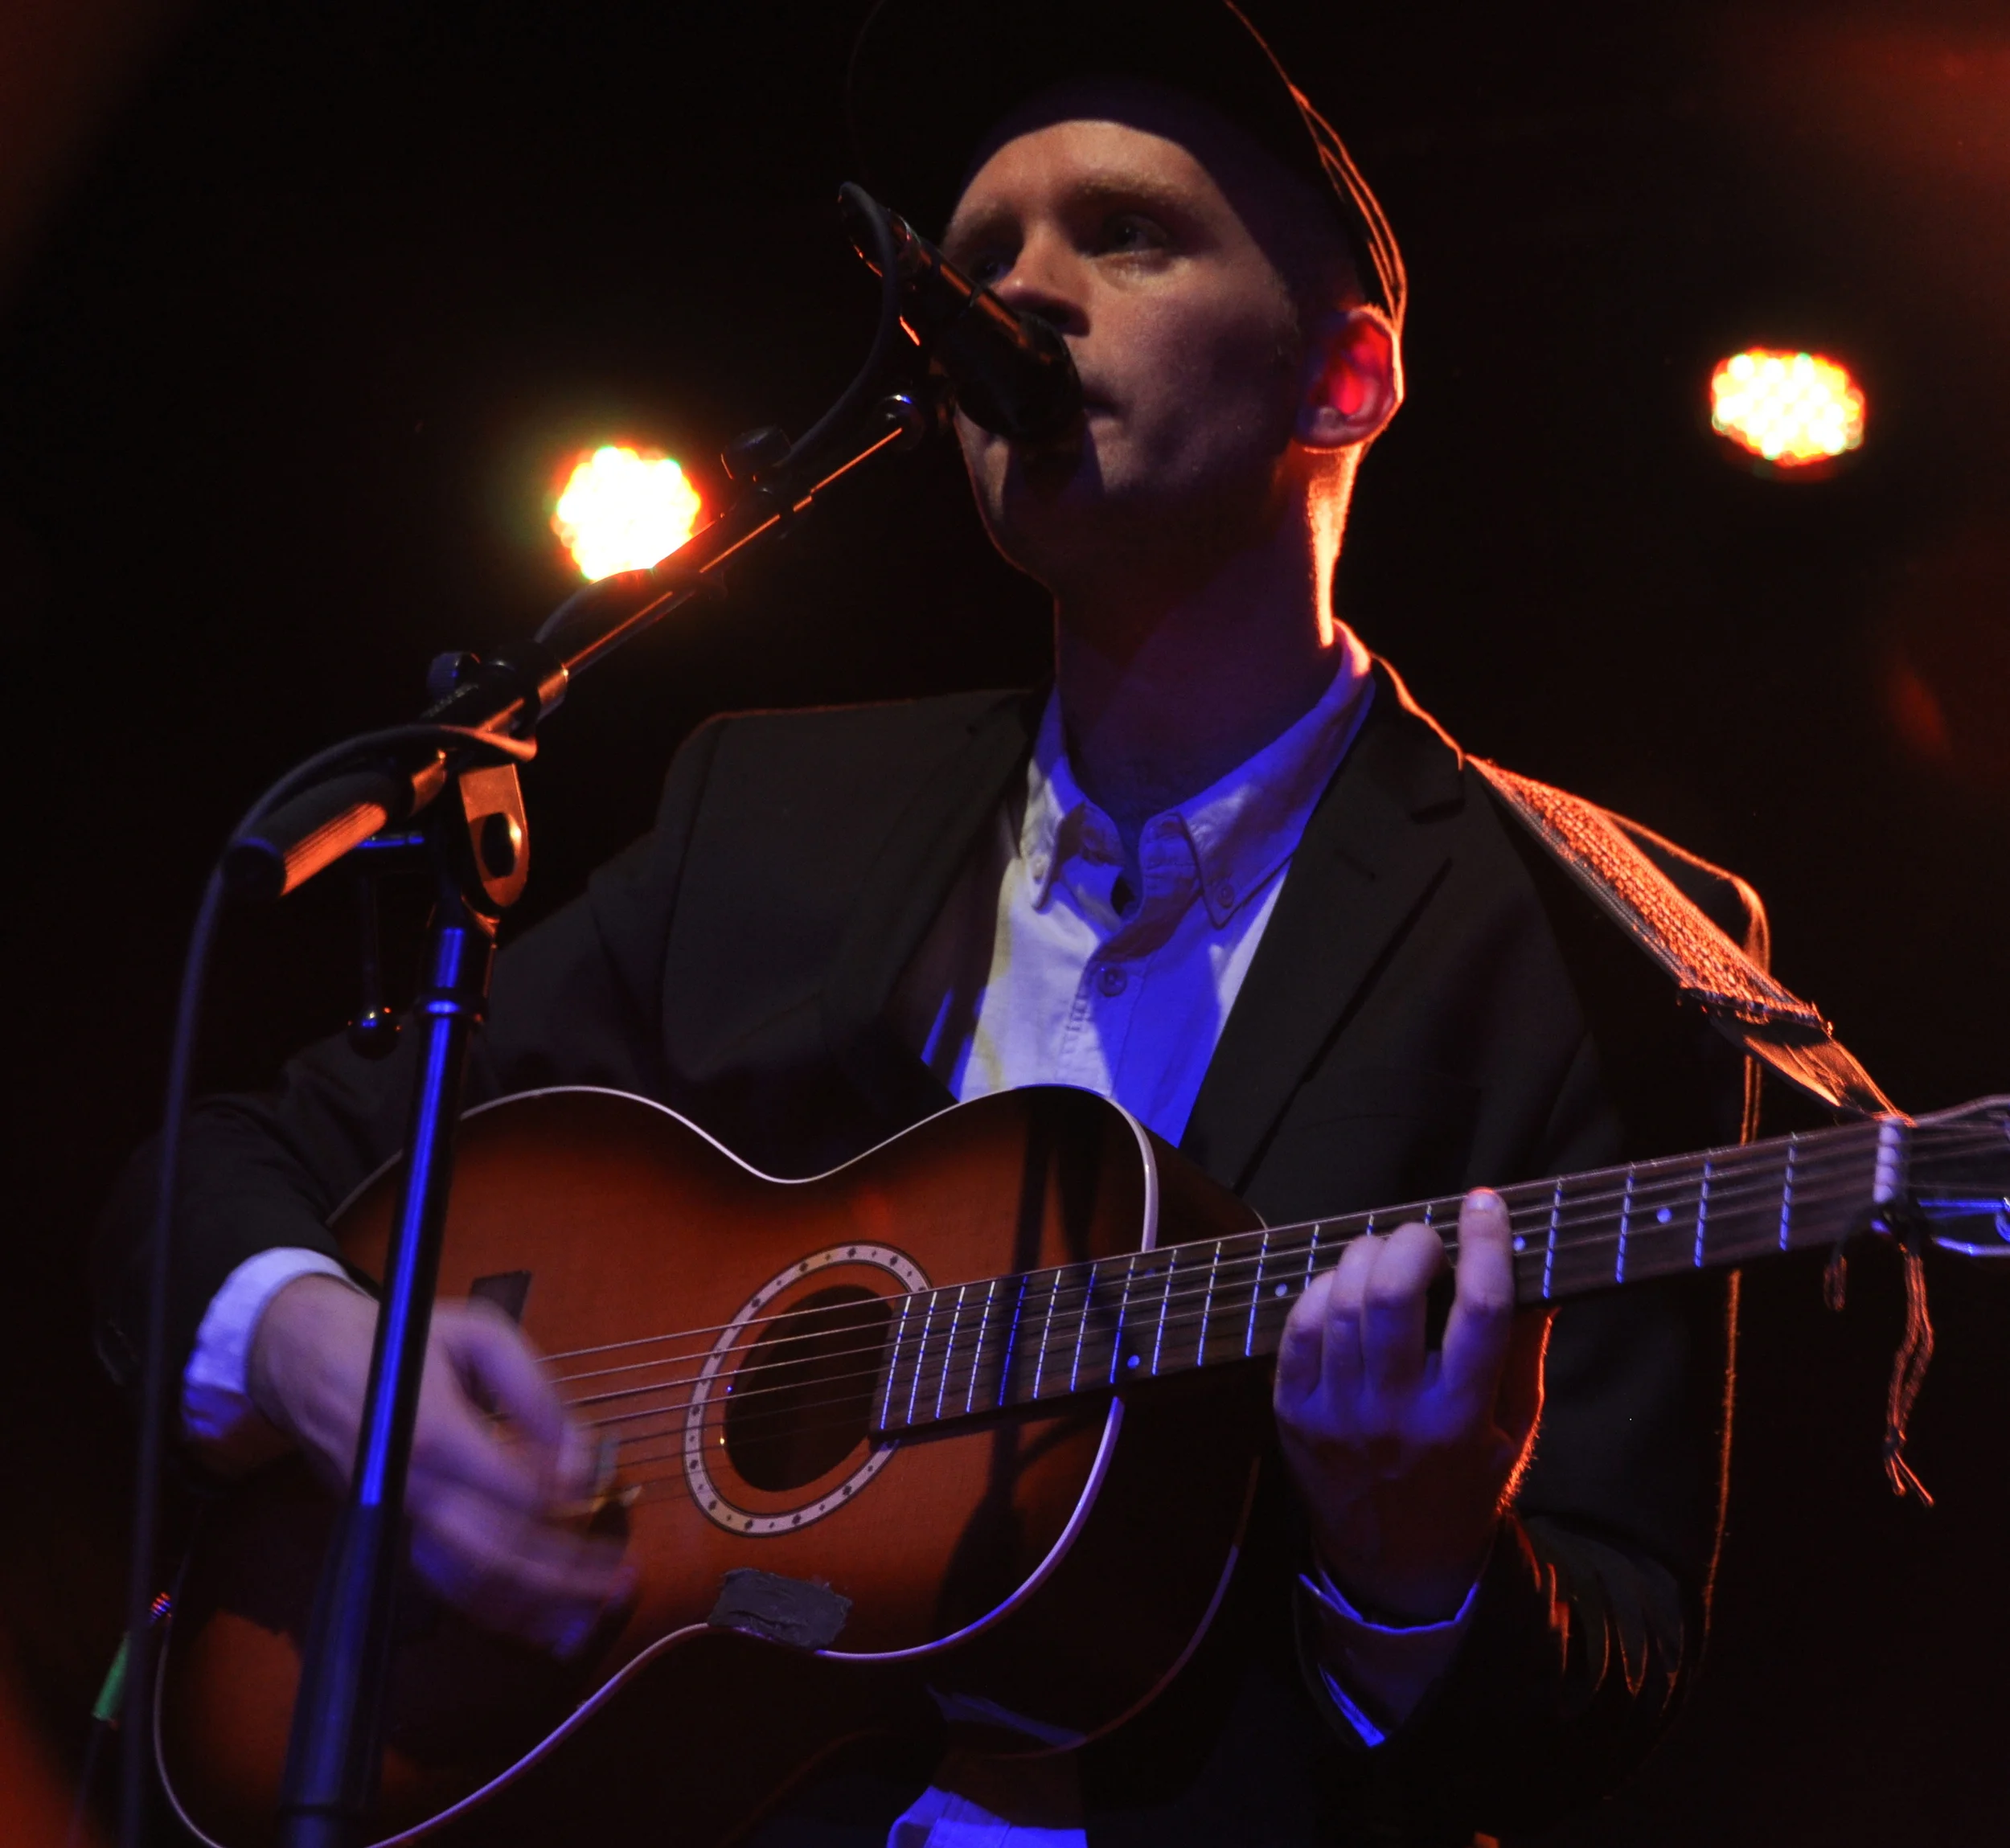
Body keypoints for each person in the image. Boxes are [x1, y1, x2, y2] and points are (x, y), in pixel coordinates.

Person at [96, 3, 1757, 1842]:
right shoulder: (770, 814)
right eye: (978, 255)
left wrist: (1411, 1561)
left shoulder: (1597, 945)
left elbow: (1612, 1675)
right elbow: (220, 1170)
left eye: (1123, 234)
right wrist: (341, 1366)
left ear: (1340, 381)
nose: (1017, 292)